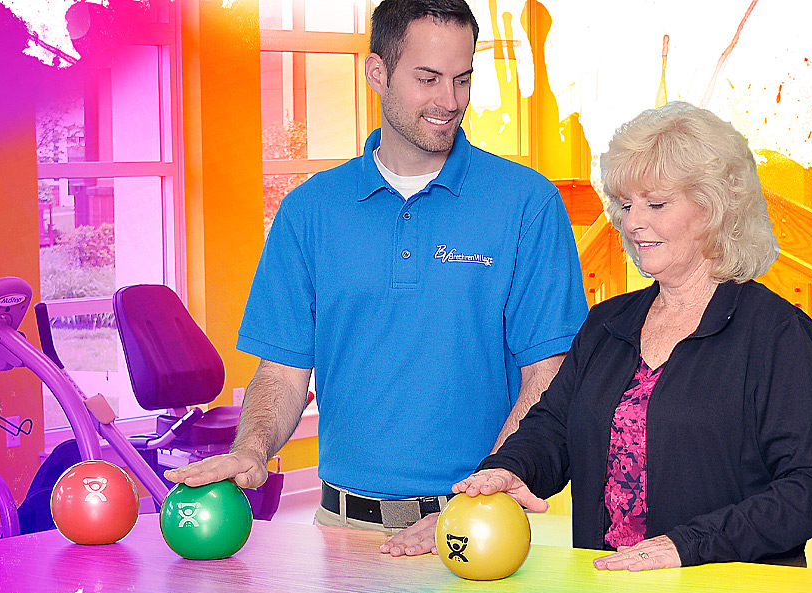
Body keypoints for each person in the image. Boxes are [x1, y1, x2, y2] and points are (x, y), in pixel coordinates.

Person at [163, 0, 588, 556]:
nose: (450, 102)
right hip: (343, 527)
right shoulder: (310, 210)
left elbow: (548, 374)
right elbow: (285, 371)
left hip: (479, 527)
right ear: (377, 73)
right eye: (428, 79)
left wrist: (480, 500)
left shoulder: (527, 203)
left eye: (462, 80)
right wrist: (252, 448)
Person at [450, 101, 812, 569]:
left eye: (656, 204)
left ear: (714, 208)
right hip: (608, 584)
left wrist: (690, 545)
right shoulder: (607, 324)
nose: (632, 221)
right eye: (625, 204)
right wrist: (511, 468)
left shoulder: (776, 332)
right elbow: (554, 426)